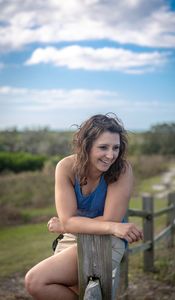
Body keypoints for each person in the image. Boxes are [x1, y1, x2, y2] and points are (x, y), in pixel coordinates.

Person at [25, 113, 143, 300]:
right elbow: (72, 221)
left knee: (35, 280)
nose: (111, 155)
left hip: (107, 241)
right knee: (69, 291)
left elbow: (109, 220)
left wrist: (68, 224)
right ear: (86, 146)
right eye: (103, 147)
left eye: (116, 148)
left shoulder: (121, 170)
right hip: (76, 236)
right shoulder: (66, 167)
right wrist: (68, 225)